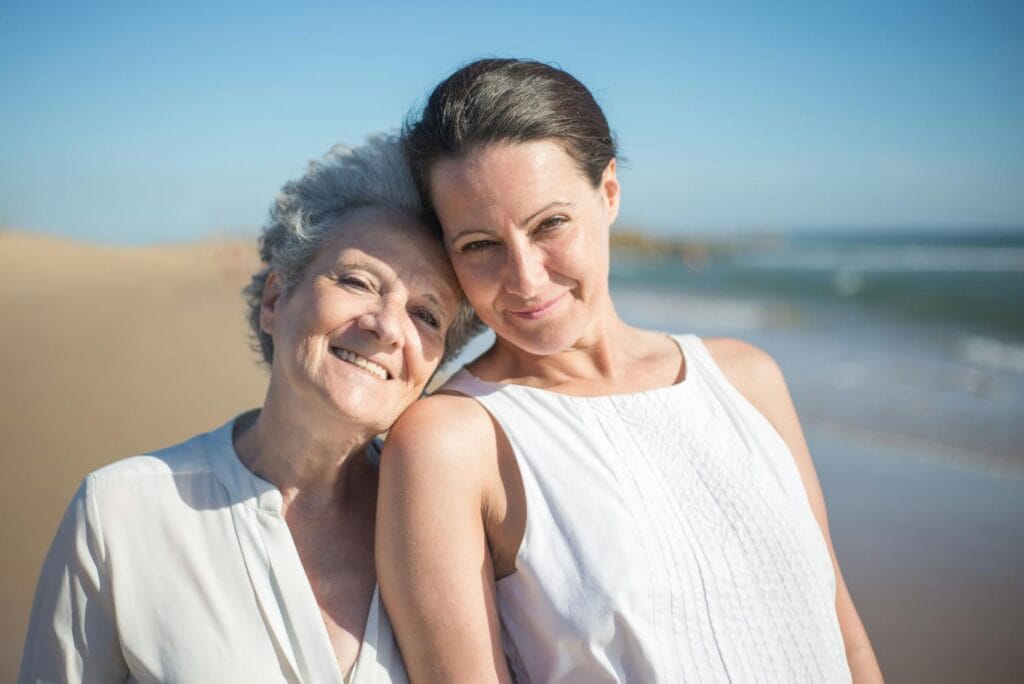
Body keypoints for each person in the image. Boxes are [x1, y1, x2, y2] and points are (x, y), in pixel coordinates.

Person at [377, 59, 884, 683]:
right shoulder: (452, 441)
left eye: (551, 224)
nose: (527, 278)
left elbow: (844, 635)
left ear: (609, 193)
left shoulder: (746, 380)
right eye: (479, 244)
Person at [19, 135, 477, 683]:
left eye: (426, 315)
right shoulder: (121, 512)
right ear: (275, 299)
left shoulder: (454, 527)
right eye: (357, 281)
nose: (386, 327)